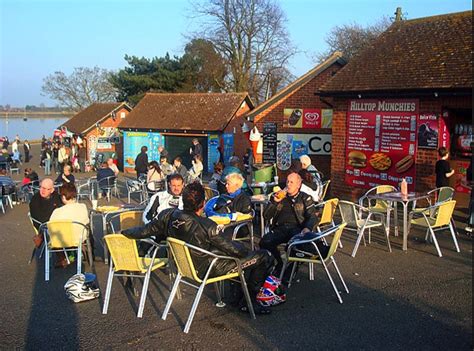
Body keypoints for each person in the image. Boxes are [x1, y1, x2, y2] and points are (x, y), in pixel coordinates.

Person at [123, 182, 273, 314]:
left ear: (183, 199)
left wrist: (123, 233)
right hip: (207, 269)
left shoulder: (167, 215)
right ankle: (249, 302)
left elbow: (143, 231)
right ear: (202, 203)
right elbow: (235, 251)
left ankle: (237, 296)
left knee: (230, 252)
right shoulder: (207, 225)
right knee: (264, 256)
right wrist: (248, 251)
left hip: (184, 266)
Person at [260, 172, 317, 275]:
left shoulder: (305, 198)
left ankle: (290, 272)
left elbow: (312, 216)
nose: (288, 185)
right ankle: (279, 263)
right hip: (281, 228)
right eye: (287, 182)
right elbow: (266, 216)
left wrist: (307, 228)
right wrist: (275, 202)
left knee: (295, 246)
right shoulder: (280, 197)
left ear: (298, 185)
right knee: (265, 241)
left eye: (291, 182)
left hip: (297, 228)